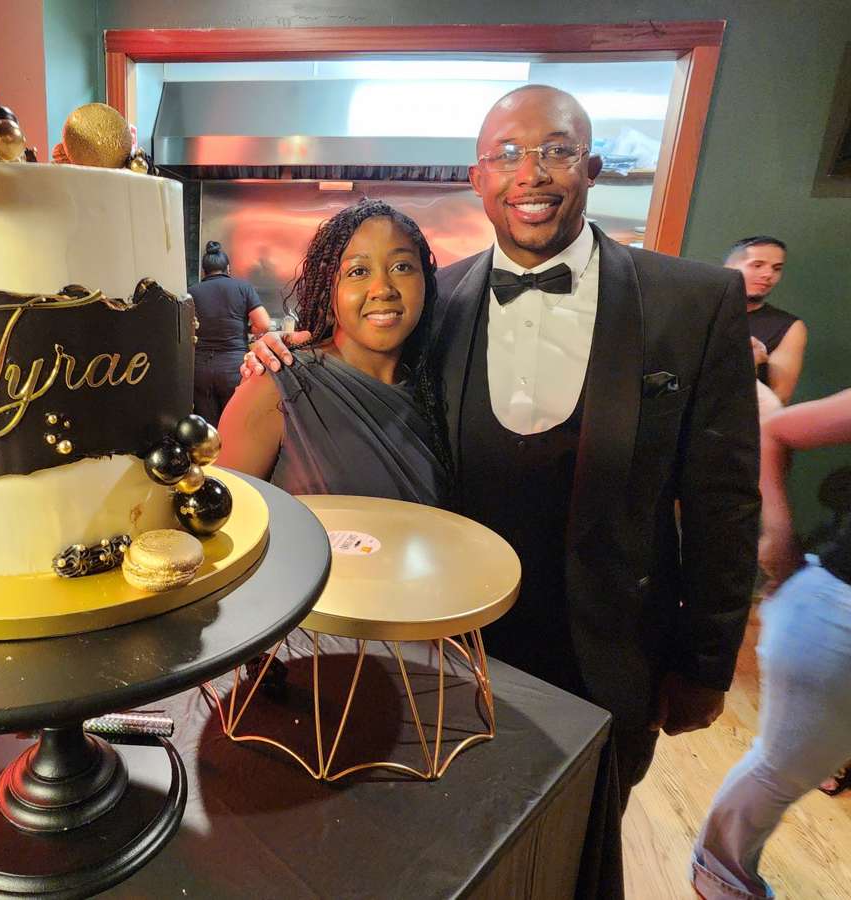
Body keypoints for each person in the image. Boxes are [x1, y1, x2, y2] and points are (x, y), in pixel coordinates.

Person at [245, 85, 760, 895]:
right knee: (449, 848)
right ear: (478, 178)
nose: (532, 173)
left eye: (556, 151)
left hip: (612, 652)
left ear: (592, 167)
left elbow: (725, 500)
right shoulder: (437, 300)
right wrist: (278, 352)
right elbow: (353, 359)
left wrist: (707, 662)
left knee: (573, 854)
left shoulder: (693, 301)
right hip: (456, 648)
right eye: (509, 155)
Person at [692, 389, 851, 900]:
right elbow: (776, 430)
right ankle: (719, 876)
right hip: (834, 612)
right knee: (783, 767)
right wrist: (778, 537)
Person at [217, 199, 448, 506]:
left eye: (402, 267)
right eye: (358, 271)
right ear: (329, 290)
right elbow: (221, 519)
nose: (383, 289)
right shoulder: (276, 385)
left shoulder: (435, 389)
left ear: (426, 281)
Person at [190, 240, 271, 426]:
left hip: (200, 369)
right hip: (234, 367)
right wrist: (246, 329)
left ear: (203, 271)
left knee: (208, 428)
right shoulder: (243, 288)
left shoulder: (191, 292)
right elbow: (264, 324)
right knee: (234, 425)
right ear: (228, 269)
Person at [725, 236, 807, 404]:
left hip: (739, 416)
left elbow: (779, 399)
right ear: (730, 267)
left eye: (776, 268)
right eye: (757, 265)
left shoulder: (788, 327)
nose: (768, 274)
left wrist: (749, 364)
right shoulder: (700, 310)